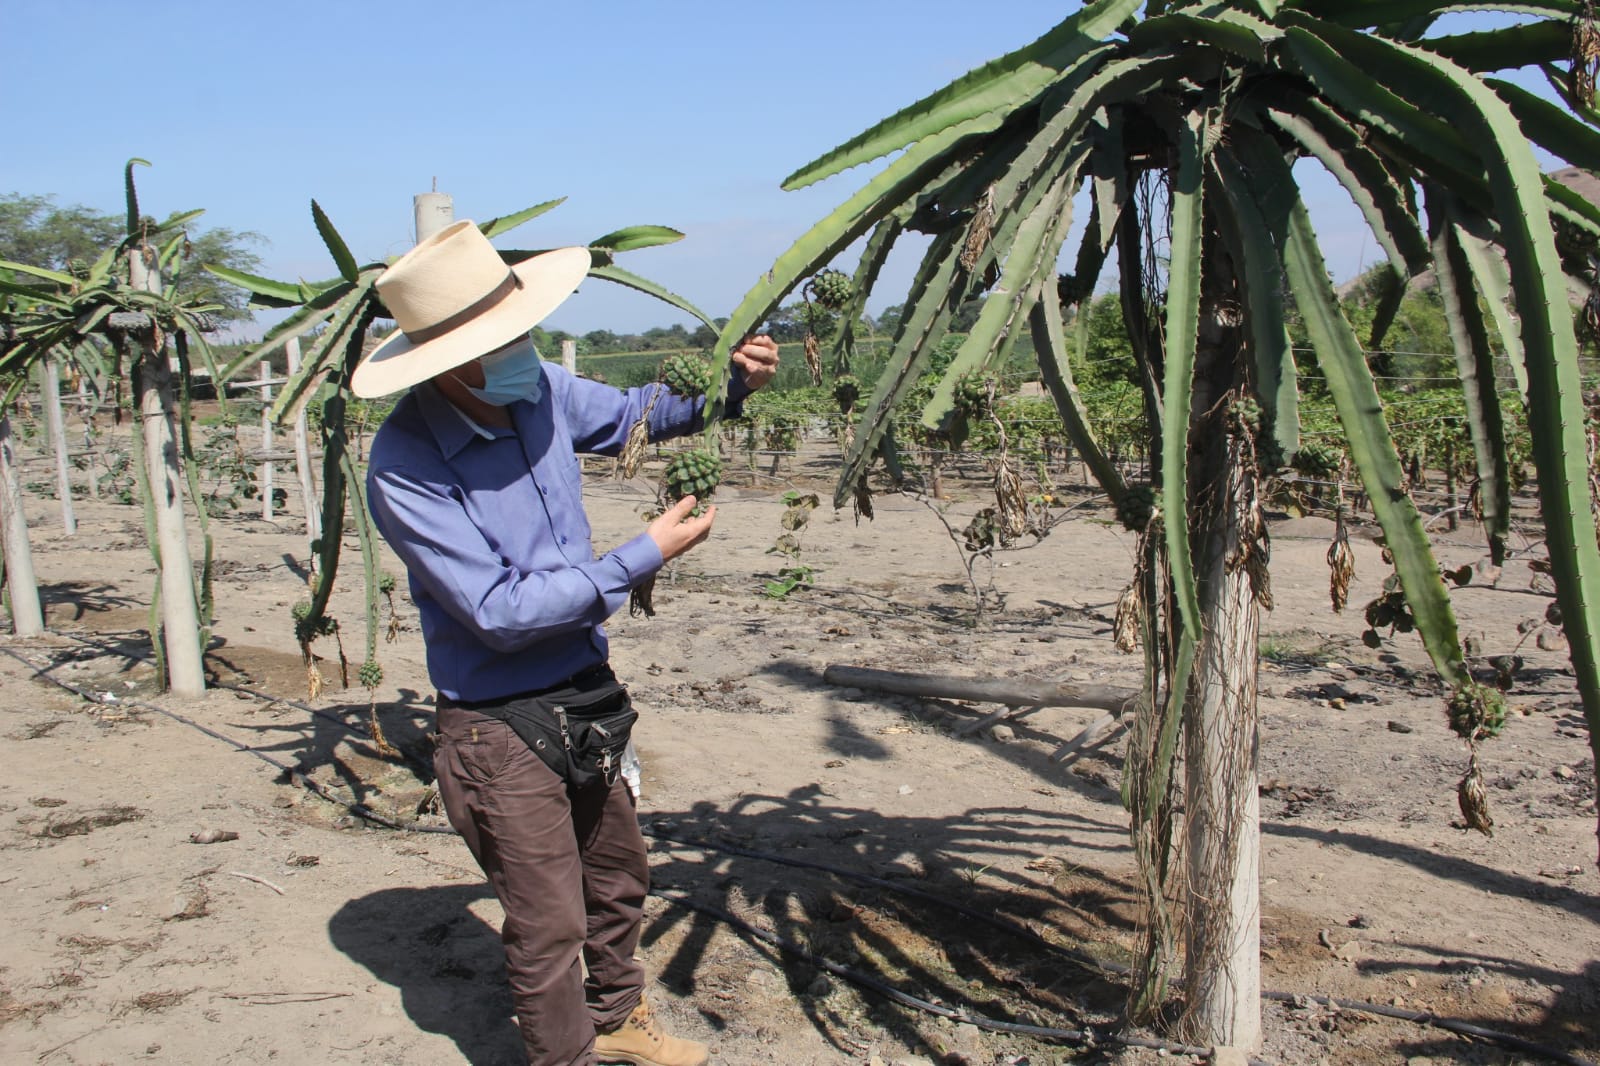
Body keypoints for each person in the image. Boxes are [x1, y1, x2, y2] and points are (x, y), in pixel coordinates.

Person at [351, 220, 779, 1066]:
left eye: (519, 329)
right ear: (450, 361)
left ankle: (620, 1023)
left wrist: (732, 384)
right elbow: (498, 611)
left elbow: (635, 417)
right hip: (496, 722)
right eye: (501, 339)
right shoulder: (404, 466)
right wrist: (640, 556)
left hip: (582, 689)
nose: (524, 348)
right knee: (548, 923)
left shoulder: (537, 388)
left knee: (618, 878)